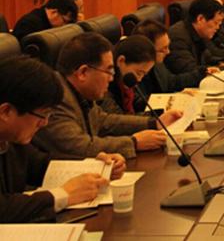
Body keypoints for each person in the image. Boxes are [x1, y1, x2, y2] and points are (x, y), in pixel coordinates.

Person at [0, 56, 125, 222]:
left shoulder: (11, 139)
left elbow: (40, 164)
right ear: (6, 112)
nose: (44, 123)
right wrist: (63, 195)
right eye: (42, 115)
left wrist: (96, 166)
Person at [32, 33, 182, 159]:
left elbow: (104, 121)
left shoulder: (77, 92)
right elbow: (78, 147)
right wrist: (133, 143)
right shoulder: (56, 98)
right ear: (83, 72)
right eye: (108, 71)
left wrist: (153, 123)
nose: (111, 78)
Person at [130, 19, 211, 103]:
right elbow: (139, 103)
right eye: (163, 49)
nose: (168, 52)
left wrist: (202, 73)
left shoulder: (157, 63)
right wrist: (171, 98)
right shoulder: (133, 70)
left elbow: (171, 82)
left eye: (167, 46)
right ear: (147, 50)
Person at [165, 0, 224, 77]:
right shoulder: (178, 37)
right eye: (216, 23)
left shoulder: (200, 33)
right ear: (200, 19)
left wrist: (223, 65)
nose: (218, 28)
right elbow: (191, 70)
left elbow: (209, 58)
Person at [100, 35, 157, 114]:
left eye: (144, 75)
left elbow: (135, 101)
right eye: (139, 73)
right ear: (121, 61)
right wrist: (151, 119)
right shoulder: (105, 84)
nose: (139, 79)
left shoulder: (125, 79)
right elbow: (118, 117)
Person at [12, 0, 78, 42]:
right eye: (64, 21)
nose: (65, 26)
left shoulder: (46, 20)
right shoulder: (29, 24)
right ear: (54, 12)